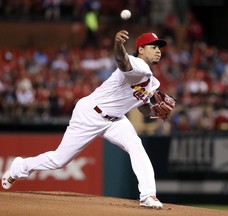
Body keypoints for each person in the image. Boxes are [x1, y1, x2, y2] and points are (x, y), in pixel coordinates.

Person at [2, 30, 168, 209]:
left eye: (159, 47)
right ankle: (20, 166)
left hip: (116, 120)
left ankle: (148, 195)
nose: (158, 50)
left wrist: (153, 112)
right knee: (59, 160)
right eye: (153, 47)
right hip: (90, 114)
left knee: (136, 146)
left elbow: (141, 106)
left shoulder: (153, 82)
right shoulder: (136, 64)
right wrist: (118, 44)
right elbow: (122, 61)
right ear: (141, 50)